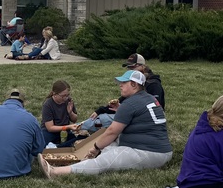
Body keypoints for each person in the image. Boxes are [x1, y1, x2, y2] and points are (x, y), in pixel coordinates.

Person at [39, 70, 172, 178]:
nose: (120, 85)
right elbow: (139, 118)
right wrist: (120, 110)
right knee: (108, 148)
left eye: (124, 82)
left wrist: (95, 147)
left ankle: (55, 172)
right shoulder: (148, 98)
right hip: (155, 149)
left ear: (134, 85)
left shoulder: (131, 103)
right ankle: (84, 164)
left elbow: (112, 131)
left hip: (148, 152)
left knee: (104, 161)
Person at [41, 80, 81, 147]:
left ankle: (59, 147)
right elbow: (50, 127)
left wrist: (70, 112)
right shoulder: (48, 105)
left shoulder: (68, 101)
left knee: (79, 141)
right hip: (50, 133)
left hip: (65, 131)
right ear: (55, 94)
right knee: (42, 145)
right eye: (63, 96)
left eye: (67, 95)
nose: (65, 98)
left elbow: (74, 120)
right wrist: (68, 127)